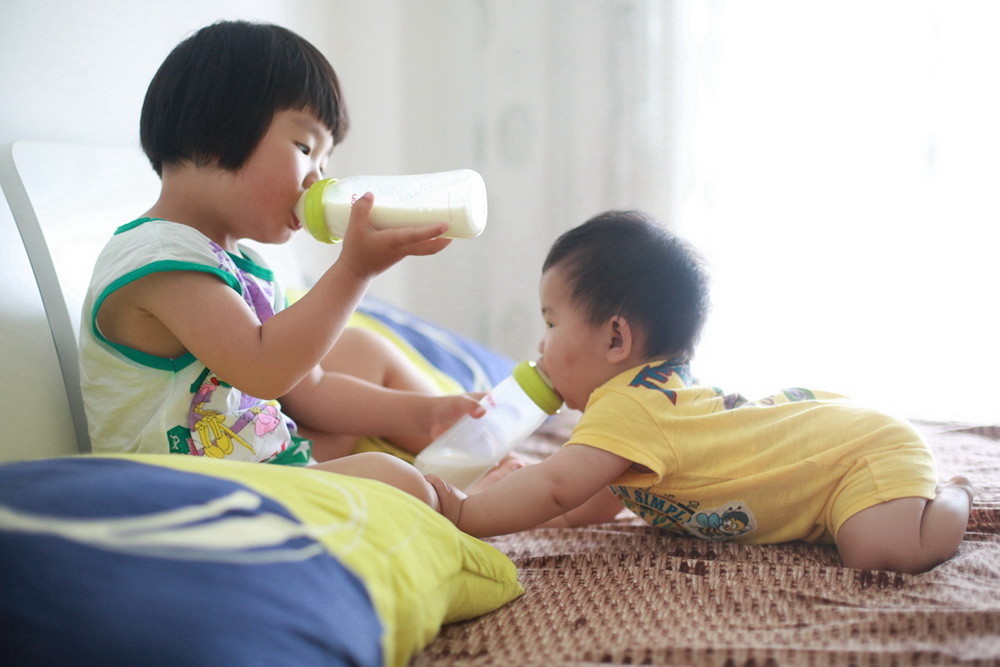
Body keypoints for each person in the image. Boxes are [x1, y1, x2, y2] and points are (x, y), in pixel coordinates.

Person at [427, 210, 976, 575]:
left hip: (858, 454)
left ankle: (954, 495)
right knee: (865, 541)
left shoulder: (630, 406)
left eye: (551, 323)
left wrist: (464, 511)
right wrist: (516, 494)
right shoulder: (634, 420)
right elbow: (575, 504)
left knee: (883, 555)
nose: (540, 346)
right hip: (822, 461)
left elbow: (556, 489)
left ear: (617, 337)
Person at [79, 20, 486, 477]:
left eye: (325, 160)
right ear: (217, 129)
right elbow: (265, 370)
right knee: (395, 477)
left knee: (362, 355)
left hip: (261, 463)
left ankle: (472, 452)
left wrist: (425, 414)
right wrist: (354, 271)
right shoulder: (161, 258)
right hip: (186, 490)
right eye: (304, 146)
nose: (318, 179)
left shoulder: (245, 267)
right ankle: (464, 505)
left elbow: (309, 388)